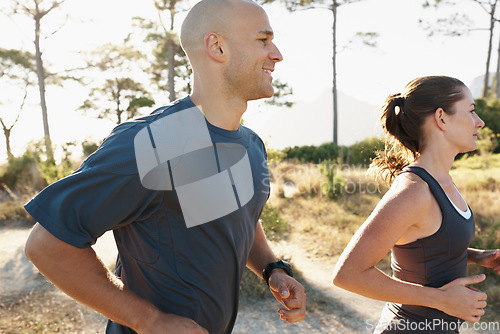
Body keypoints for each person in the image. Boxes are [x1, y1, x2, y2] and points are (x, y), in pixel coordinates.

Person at [23, 0, 306, 333]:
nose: (277, 54)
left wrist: (274, 269)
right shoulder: (154, 142)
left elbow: (242, 216)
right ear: (217, 47)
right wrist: (148, 320)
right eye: (263, 40)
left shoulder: (252, 146)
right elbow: (47, 245)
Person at [332, 76, 500, 333]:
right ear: (441, 118)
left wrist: (480, 257)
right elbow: (347, 274)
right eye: (471, 111)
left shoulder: (442, 181)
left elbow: (428, 248)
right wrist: (441, 299)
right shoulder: (414, 192)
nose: (480, 121)